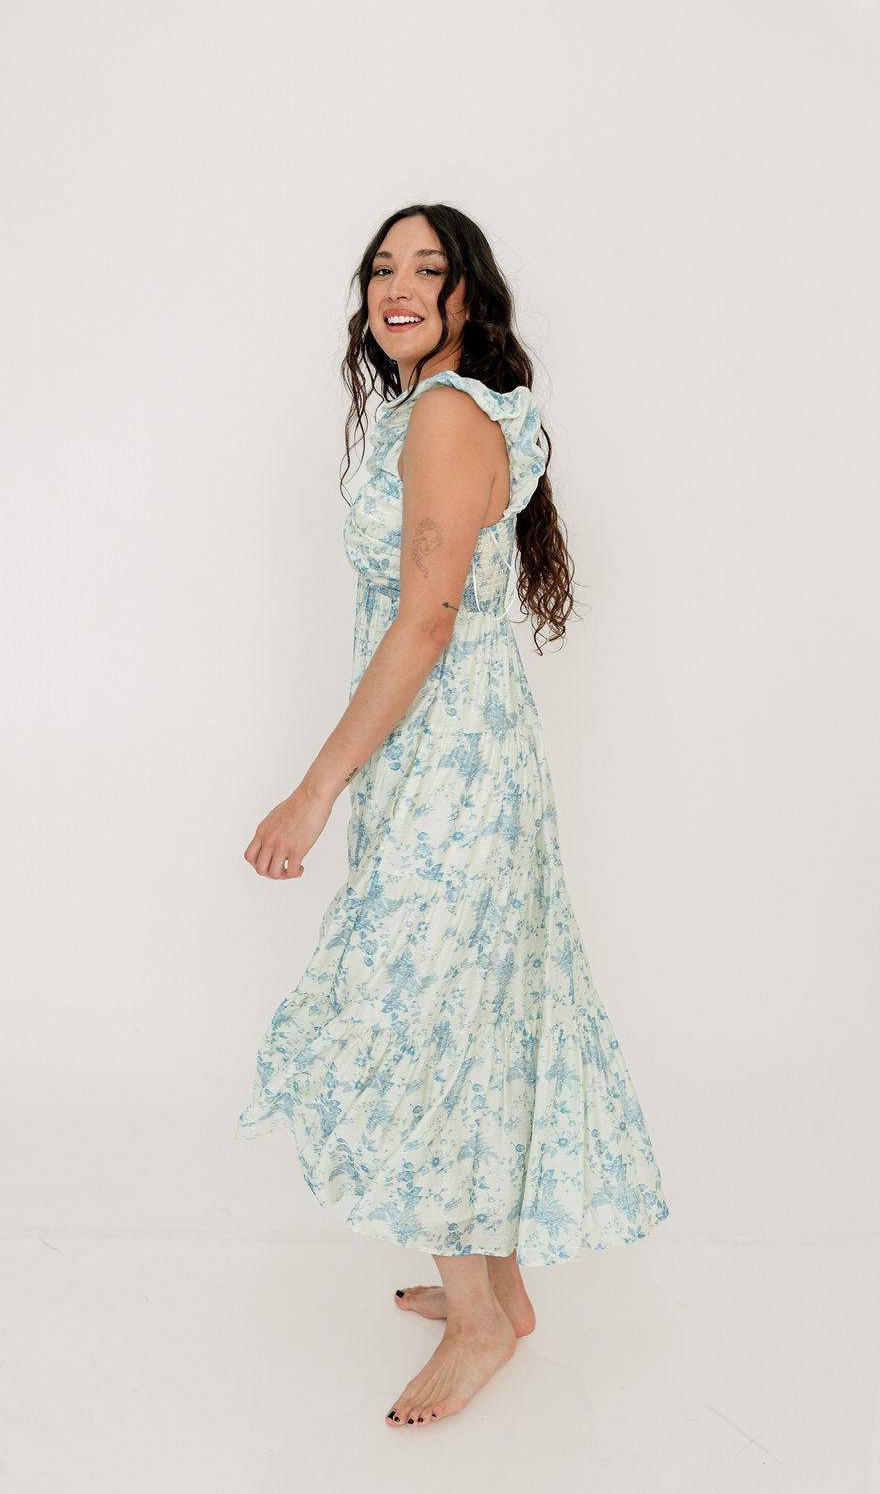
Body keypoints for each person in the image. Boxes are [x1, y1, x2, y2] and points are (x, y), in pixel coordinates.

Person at [235, 203, 670, 1428]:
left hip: (451, 768)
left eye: (428, 268)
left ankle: (479, 1319)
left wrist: (314, 787)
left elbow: (425, 619)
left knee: (428, 1017)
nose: (399, 285)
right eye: (383, 266)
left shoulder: (442, 413)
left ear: (468, 295)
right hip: (455, 752)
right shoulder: (448, 407)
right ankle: (501, 1288)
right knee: (470, 1006)